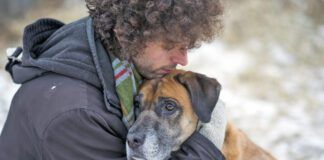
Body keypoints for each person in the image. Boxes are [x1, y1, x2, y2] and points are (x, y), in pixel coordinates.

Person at [0, 0, 224, 159]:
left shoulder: (107, 55)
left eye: (185, 46)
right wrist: (206, 144)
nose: (183, 60)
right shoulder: (77, 113)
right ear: (127, 31)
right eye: (169, 46)